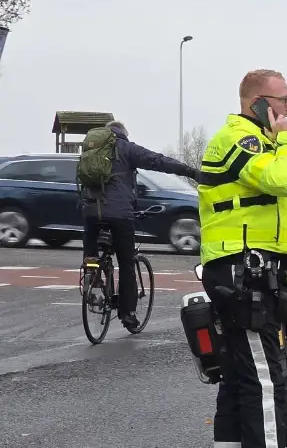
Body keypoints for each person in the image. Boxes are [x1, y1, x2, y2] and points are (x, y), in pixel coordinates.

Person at [199, 69, 287, 448]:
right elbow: (282, 182)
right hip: (243, 276)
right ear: (257, 103)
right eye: (282, 100)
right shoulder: (240, 140)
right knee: (266, 383)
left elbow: (284, 220)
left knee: (239, 379)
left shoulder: (263, 147)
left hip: (253, 272)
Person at [78, 121, 197, 330]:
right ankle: (128, 314)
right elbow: (157, 161)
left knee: (91, 251)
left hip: (90, 212)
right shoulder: (127, 148)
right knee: (127, 262)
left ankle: (92, 273)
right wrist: (190, 171)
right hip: (120, 214)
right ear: (123, 134)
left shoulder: (91, 150)